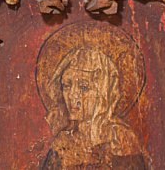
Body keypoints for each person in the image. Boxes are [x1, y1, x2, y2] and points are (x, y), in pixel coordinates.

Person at [37, 24, 148, 170]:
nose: (72, 96)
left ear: (103, 92)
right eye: (66, 85)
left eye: (84, 87)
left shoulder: (121, 139)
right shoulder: (62, 143)